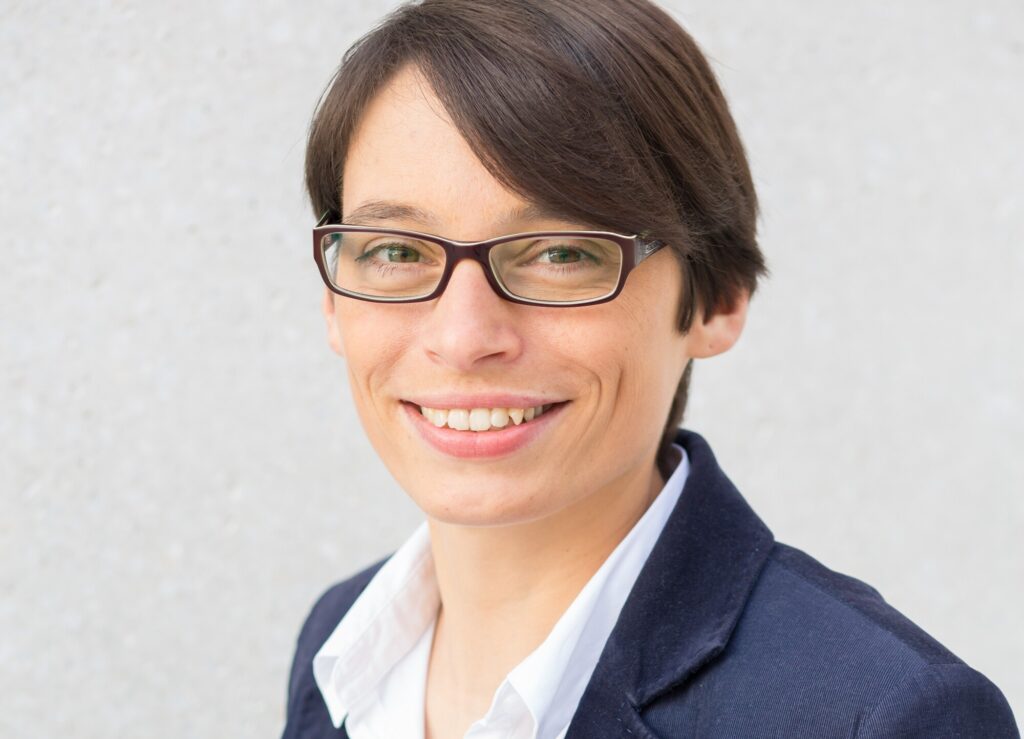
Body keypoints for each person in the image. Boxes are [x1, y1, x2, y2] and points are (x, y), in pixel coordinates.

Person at [281, 1, 1019, 737]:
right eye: (397, 251)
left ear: (718, 297)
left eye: (561, 253)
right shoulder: (342, 646)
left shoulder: (883, 716)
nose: (464, 337)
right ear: (333, 302)